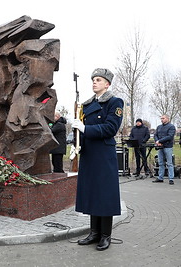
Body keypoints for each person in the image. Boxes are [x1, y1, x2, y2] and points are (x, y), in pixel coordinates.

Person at [72, 68, 124, 251]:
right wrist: (76, 142)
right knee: (92, 193)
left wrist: (86, 129)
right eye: (93, 79)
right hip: (89, 154)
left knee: (104, 194)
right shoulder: (85, 105)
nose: (94, 82)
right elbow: (80, 131)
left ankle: (105, 235)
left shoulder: (115, 102)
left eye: (99, 80)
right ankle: (94, 233)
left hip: (103, 154)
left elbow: (110, 128)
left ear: (107, 84)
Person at [152, 114, 176, 185]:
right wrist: (157, 141)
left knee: (169, 163)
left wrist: (160, 141)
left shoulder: (171, 127)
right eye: (161, 118)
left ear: (167, 119)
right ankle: (160, 177)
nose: (161, 119)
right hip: (160, 147)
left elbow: (170, 136)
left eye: (163, 118)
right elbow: (155, 135)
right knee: (161, 163)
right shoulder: (159, 127)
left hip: (168, 147)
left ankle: (171, 178)